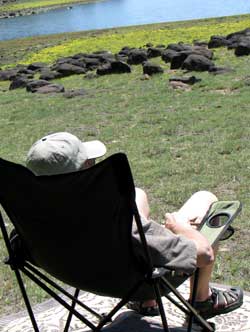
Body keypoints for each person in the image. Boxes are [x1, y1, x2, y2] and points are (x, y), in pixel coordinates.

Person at [26, 132, 243, 320]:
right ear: (86, 170)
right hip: (138, 282)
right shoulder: (119, 222)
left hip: (79, 272)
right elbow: (203, 255)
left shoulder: (34, 222)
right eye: (89, 162)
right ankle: (201, 301)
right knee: (204, 197)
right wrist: (180, 227)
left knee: (137, 194)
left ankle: (148, 304)